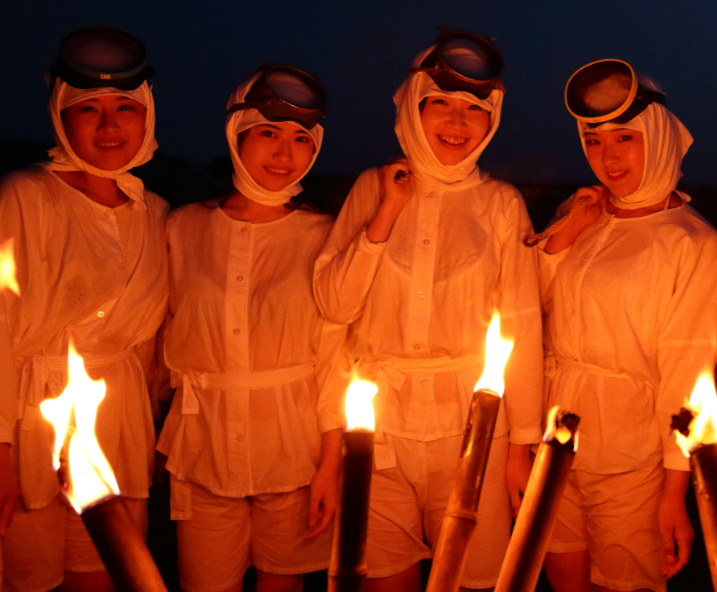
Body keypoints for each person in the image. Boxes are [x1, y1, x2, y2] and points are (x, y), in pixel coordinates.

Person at [313, 31, 543, 592]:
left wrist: (521, 446)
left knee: (468, 576)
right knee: (382, 576)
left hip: (472, 428)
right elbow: (333, 309)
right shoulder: (373, 186)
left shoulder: (500, 204)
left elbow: (522, 325)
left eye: (474, 110)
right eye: (441, 103)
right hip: (379, 424)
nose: (457, 123)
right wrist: (387, 212)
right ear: (412, 106)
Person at [156, 64, 345, 592]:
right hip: (202, 448)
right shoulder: (183, 227)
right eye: (268, 134)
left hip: (294, 452)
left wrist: (330, 465)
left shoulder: (323, 235)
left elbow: (334, 359)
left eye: (301, 140)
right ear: (236, 135)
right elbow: (159, 331)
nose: (285, 155)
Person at [535, 59, 717, 592]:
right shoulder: (584, 210)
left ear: (658, 137)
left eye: (624, 138)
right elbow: (532, 309)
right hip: (555, 438)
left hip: (630, 455)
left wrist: (673, 495)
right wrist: (569, 231)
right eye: (593, 141)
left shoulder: (693, 242)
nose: (607, 157)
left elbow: (688, 369)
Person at [0, 26, 169, 592]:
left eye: (125, 107)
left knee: (103, 572)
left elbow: (148, 346)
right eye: (87, 110)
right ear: (59, 115)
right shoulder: (26, 196)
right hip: (30, 421)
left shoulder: (155, 212)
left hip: (118, 421)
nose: (109, 125)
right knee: (30, 575)